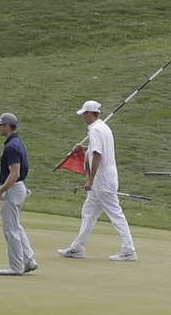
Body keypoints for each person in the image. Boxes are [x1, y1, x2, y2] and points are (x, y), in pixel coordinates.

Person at [58, 99, 137, 262]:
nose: (83, 117)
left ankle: (129, 250)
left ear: (89, 113)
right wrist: (84, 148)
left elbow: (98, 155)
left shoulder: (95, 130)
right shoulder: (103, 127)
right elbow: (96, 150)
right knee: (88, 211)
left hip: (102, 179)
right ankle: (77, 248)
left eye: (84, 114)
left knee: (115, 213)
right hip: (106, 176)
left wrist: (91, 180)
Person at [0, 112, 36, 275]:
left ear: (7, 126)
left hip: (13, 189)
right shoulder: (17, 142)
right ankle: (28, 260)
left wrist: (0, 192)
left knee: (10, 230)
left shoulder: (11, 146)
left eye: (0, 125)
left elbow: (14, 173)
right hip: (17, 188)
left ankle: (16, 266)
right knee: (16, 227)